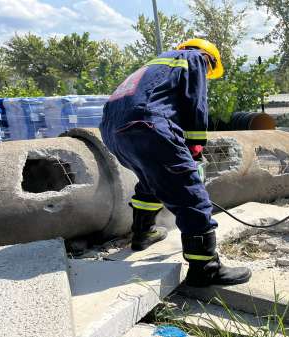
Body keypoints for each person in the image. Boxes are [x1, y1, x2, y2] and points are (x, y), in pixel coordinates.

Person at [99, 39, 251, 287]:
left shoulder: (155, 66)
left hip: (113, 130)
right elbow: (195, 104)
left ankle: (143, 233)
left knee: (151, 179)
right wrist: (194, 151)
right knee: (190, 193)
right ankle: (206, 268)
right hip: (146, 124)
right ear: (210, 59)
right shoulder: (194, 59)